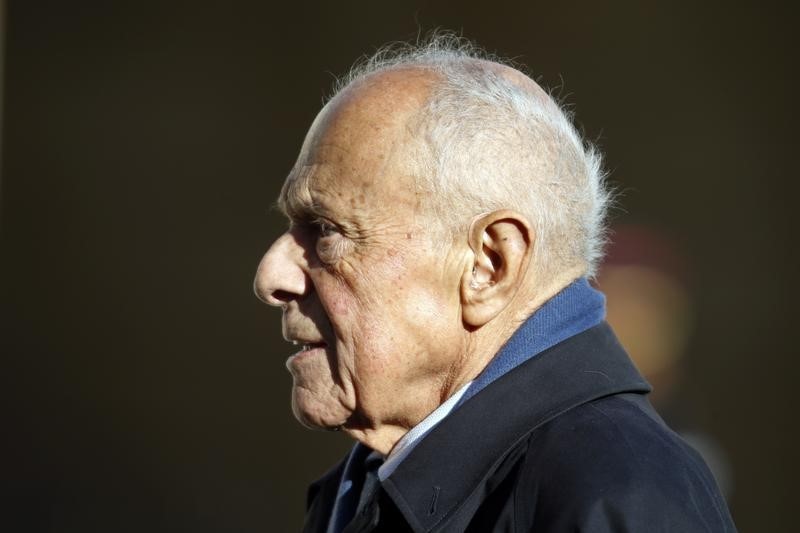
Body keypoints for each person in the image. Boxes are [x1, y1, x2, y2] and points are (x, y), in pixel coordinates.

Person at [253, 36, 735, 532]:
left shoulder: (619, 493)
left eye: (327, 231)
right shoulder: (368, 485)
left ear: (489, 265)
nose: (271, 276)